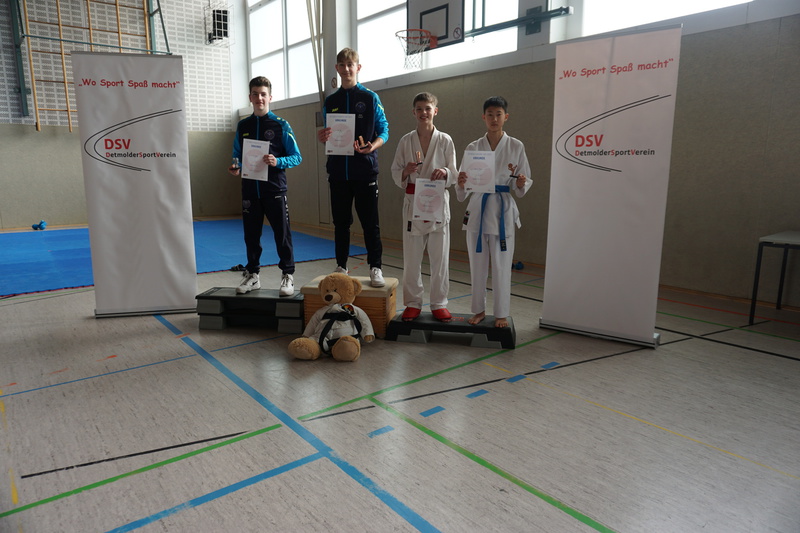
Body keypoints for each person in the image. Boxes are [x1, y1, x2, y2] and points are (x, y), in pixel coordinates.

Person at [316, 48, 389, 287]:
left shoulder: (370, 98)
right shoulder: (331, 101)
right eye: (342, 65)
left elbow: (384, 131)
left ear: (358, 67)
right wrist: (323, 137)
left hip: (365, 171)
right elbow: (328, 135)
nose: (347, 69)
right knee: (341, 223)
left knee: (370, 224)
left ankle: (375, 267)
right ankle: (341, 266)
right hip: (338, 172)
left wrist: (372, 146)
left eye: (351, 65)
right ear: (337, 69)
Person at [456, 96, 531, 328]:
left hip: (502, 210)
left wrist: (521, 183)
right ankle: (478, 310)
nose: (494, 119)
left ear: (505, 117)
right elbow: (462, 185)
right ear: (484, 117)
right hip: (478, 208)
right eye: (490, 114)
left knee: (501, 265)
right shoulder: (473, 147)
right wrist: (461, 182)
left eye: (498, 114)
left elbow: (523, 182)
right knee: (477, 265)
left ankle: (501, 313)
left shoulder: (516, 146)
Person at [228, 76, 302, 296]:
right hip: (250, 190)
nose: (259, 98)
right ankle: (253, 275)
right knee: (251, 235)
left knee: (282, 234)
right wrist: (236, 167)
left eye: (263, 94)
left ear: (270, 97)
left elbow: (296, 156)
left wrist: (277, 161)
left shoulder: (281, 125)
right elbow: (237, 155)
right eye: (255, 94)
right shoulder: (243, 126)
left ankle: (287, 274)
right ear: (250, 97)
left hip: (274, 189)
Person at [390, 92, 457, 322]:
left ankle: (439, 303)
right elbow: (395, 171)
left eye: (428, 108)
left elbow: (454, 172)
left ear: (435, 111)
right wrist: (406, 171)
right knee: (412, 258)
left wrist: (445, 172)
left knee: (440, 258)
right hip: (414, 203)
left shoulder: (445, 140)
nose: (423, 113)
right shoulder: (406, 141)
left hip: (437, 203)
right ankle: (413, 303)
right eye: (419, 109)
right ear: (414, 112)